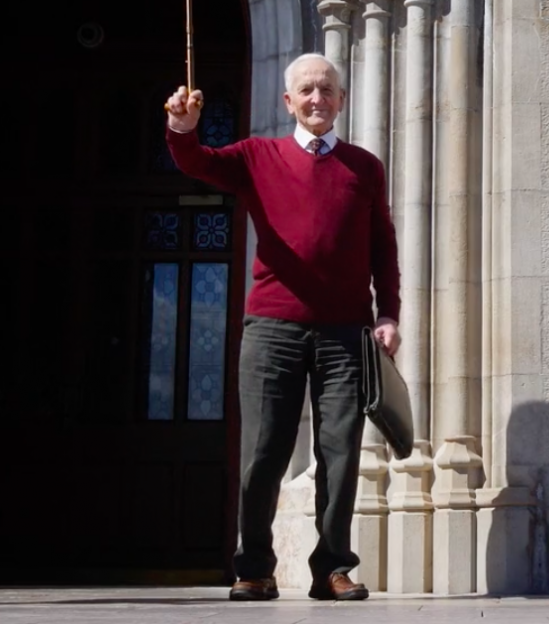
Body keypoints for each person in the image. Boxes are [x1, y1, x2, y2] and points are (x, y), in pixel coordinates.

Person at [164, 53, 401, 602]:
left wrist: (387, 312)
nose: (317, 99)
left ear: (341, 100)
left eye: (327, 90)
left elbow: (382, 246)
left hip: (346, 333)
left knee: (341, 454)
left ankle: (333, 568)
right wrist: (182, 126)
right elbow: (196, 161)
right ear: (288, 102)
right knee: (263, 452)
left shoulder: (365, 167)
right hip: (272, 328)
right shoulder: (256, 155)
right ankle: (254, 567)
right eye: (306, 91)